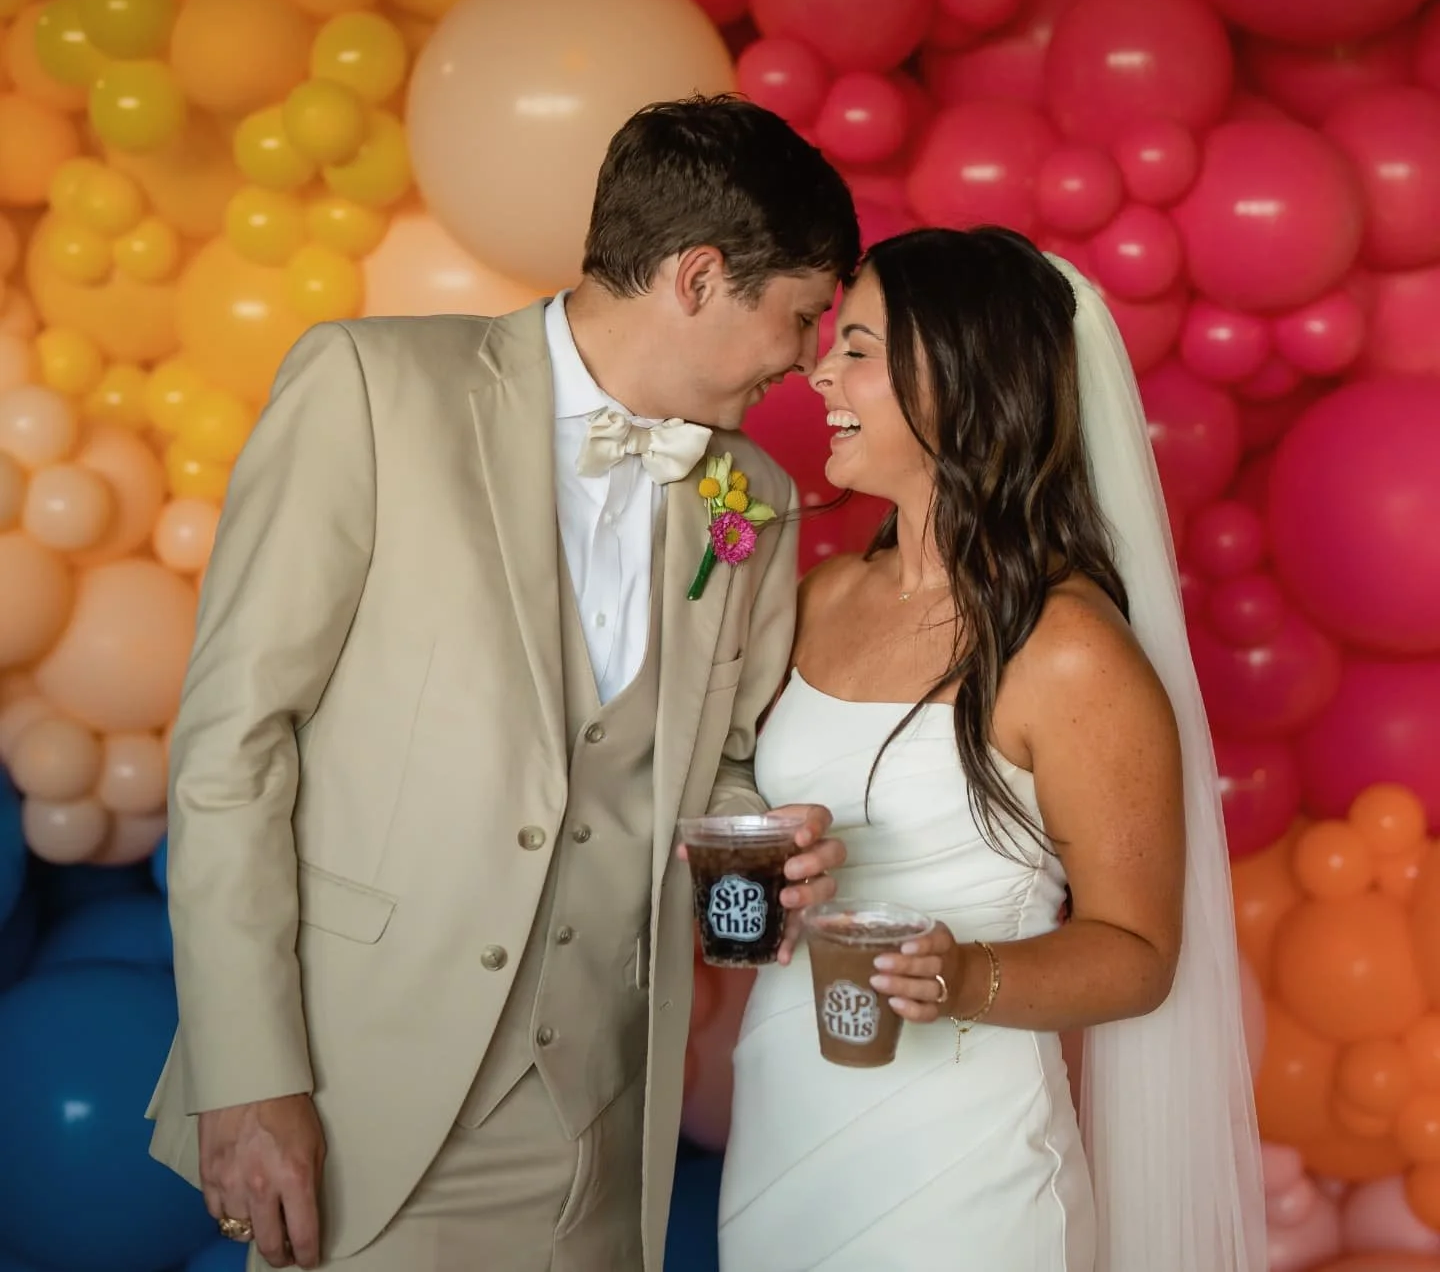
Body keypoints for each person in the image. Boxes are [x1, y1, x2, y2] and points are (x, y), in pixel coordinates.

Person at [146, 95, 862, 1272]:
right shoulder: (370, 388)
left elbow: (718, 756)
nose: (803, 358)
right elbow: (235, 741)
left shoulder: (751, 500)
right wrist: (249, 1070)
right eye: (797, 315)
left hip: (605, 1114)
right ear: (696, 277)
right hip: (363, 1096)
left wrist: (766, 840)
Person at [719, 227, 1266, 1272]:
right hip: (781, 1128)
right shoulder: (821, 598)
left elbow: (1140, 952)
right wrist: (753, 876)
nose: (819, 372)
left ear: (961, 381)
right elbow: (735, 815)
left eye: (860, 349)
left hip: (961, 1176)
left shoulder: (1069, 653)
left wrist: (964, 976)